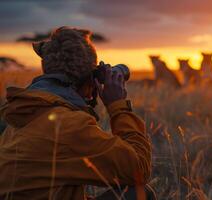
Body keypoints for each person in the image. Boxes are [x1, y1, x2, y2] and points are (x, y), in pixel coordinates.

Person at [0, 26, 155, 199]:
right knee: (140, 194)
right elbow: (138, 170)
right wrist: (118, 106)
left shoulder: (24, 111)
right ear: (91, 80)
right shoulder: (68, 125)